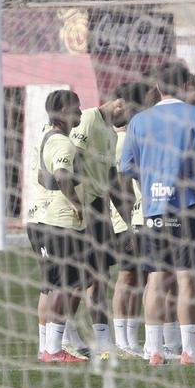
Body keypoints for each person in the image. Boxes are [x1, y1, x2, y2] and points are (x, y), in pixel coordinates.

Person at [119, 61, 195, 366]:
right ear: (185, 86)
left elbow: (125, 166)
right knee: (186, 279)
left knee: (155, 279)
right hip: (186, 208)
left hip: (154, 209)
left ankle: (154, 350)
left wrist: (148, 181)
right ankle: (188, 351)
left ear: (157, 87)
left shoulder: (140, 120)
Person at [68, 90, 132, 357]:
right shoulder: (88, 120)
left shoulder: (110, 133)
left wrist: (128, 220)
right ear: (120, 103)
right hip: (84, 209)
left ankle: (103, 340)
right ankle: (66, 335)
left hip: (100, 209)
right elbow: (71, 160)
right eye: (130, 112)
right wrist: (76, 201)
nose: (130, 120)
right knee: (80, 277)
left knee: (100, 276)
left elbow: (112, 179)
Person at [28, 90, 87, 363]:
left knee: (49, 287)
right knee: (65, 285)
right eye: (76, 108)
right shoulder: (63, 143)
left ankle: (45, 348)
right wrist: (75, 202)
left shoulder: (43, 135)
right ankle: (53, 349)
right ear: (64, 111)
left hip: (38, 219)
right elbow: (62, 175)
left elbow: (45, 177)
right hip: (59, 222)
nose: (80, 112)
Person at [110, 81, 157, 358]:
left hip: (141, 216)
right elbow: (119, 187)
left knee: (139, 278)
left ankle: (131, 339)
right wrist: (127, 223)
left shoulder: (136, 136)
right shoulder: (121, 142)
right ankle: (121, 341)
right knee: (127, 277)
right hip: (126, 221)